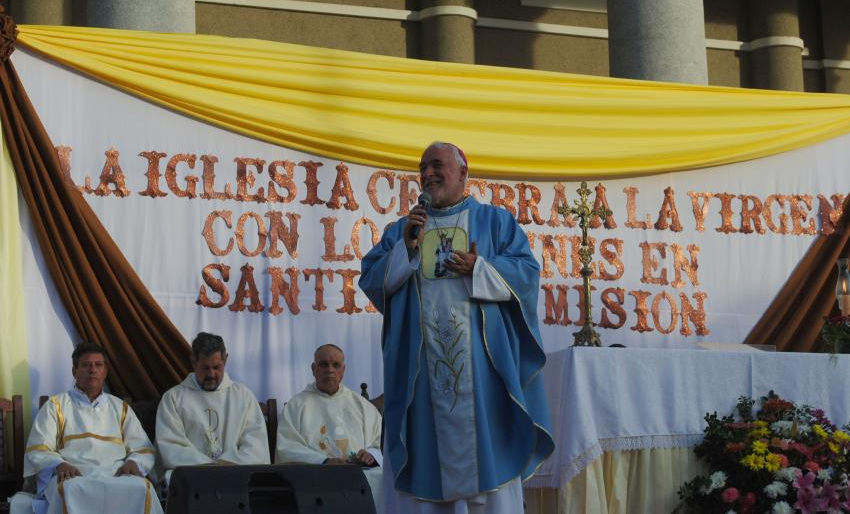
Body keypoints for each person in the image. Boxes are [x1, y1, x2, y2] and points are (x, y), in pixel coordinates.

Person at [359, 141, 554, 512]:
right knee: (425, 476)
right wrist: (408, 250)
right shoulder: (403, 229)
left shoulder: (496, 222)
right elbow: (371, 278)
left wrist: (481, 269)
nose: (427, 174)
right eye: (422, 168)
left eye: (436, 165)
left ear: (463, 173)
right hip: (423, 381)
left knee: (491, 478)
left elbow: (527, 274)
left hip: (483, 377)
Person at [22, 343, 162, 514]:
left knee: (142, 487)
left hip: (116, 473)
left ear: (105, 372)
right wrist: (59, 465)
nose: (92, 370)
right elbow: (39, 447)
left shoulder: (120, 408)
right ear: (74, 371)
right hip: (74, 474)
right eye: (86, 365)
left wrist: (134, 462)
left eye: (98, 365)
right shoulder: (55, 406)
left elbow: (143, 448)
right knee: (69, 490)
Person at [275, 344, 383, 512]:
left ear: (343, 369)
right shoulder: (297, 405)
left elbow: (383, 442)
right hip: (318, 477)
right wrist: (324, 461)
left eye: (335, 365)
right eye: (323, 364)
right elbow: (287, 448)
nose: (330, 370)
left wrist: (372, 454)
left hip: (360, 475)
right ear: (313, 368)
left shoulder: (361, 405)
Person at [156, 332, 269, 481]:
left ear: (226, 360)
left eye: (217, 367)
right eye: (205, 368)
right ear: (193, 362)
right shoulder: (173, 398)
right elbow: (170, 446)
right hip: (193, 476)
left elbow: (256, 444)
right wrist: (209, 467)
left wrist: (232, 464)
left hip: (236, 474)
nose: (211, 374)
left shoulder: (244, 397)